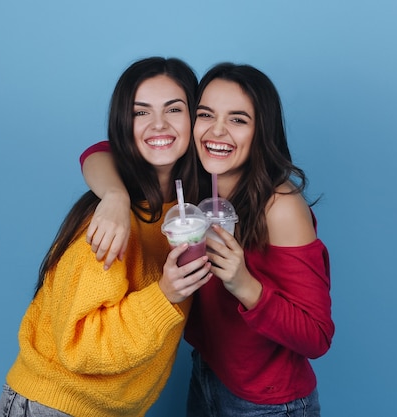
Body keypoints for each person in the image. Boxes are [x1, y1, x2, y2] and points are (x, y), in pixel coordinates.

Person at [81, 63, 334, 416]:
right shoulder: (195, 176)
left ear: (261, 131)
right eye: (205, 115)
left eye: (238, 119)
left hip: (269, 402)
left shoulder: (280, 208)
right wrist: (115, 197)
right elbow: (101, 150)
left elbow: (317, 336)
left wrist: (244, 284)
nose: (217, 131)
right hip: (206, 374)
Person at [0, 57, 212, 417]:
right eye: (140, 112)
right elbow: (80, 345)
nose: (158, 123)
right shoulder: (110, 223)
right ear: (123, 125)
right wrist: (165, 295)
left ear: (196, 118)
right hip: (57, 406)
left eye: (173, 109)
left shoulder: (186, 209)